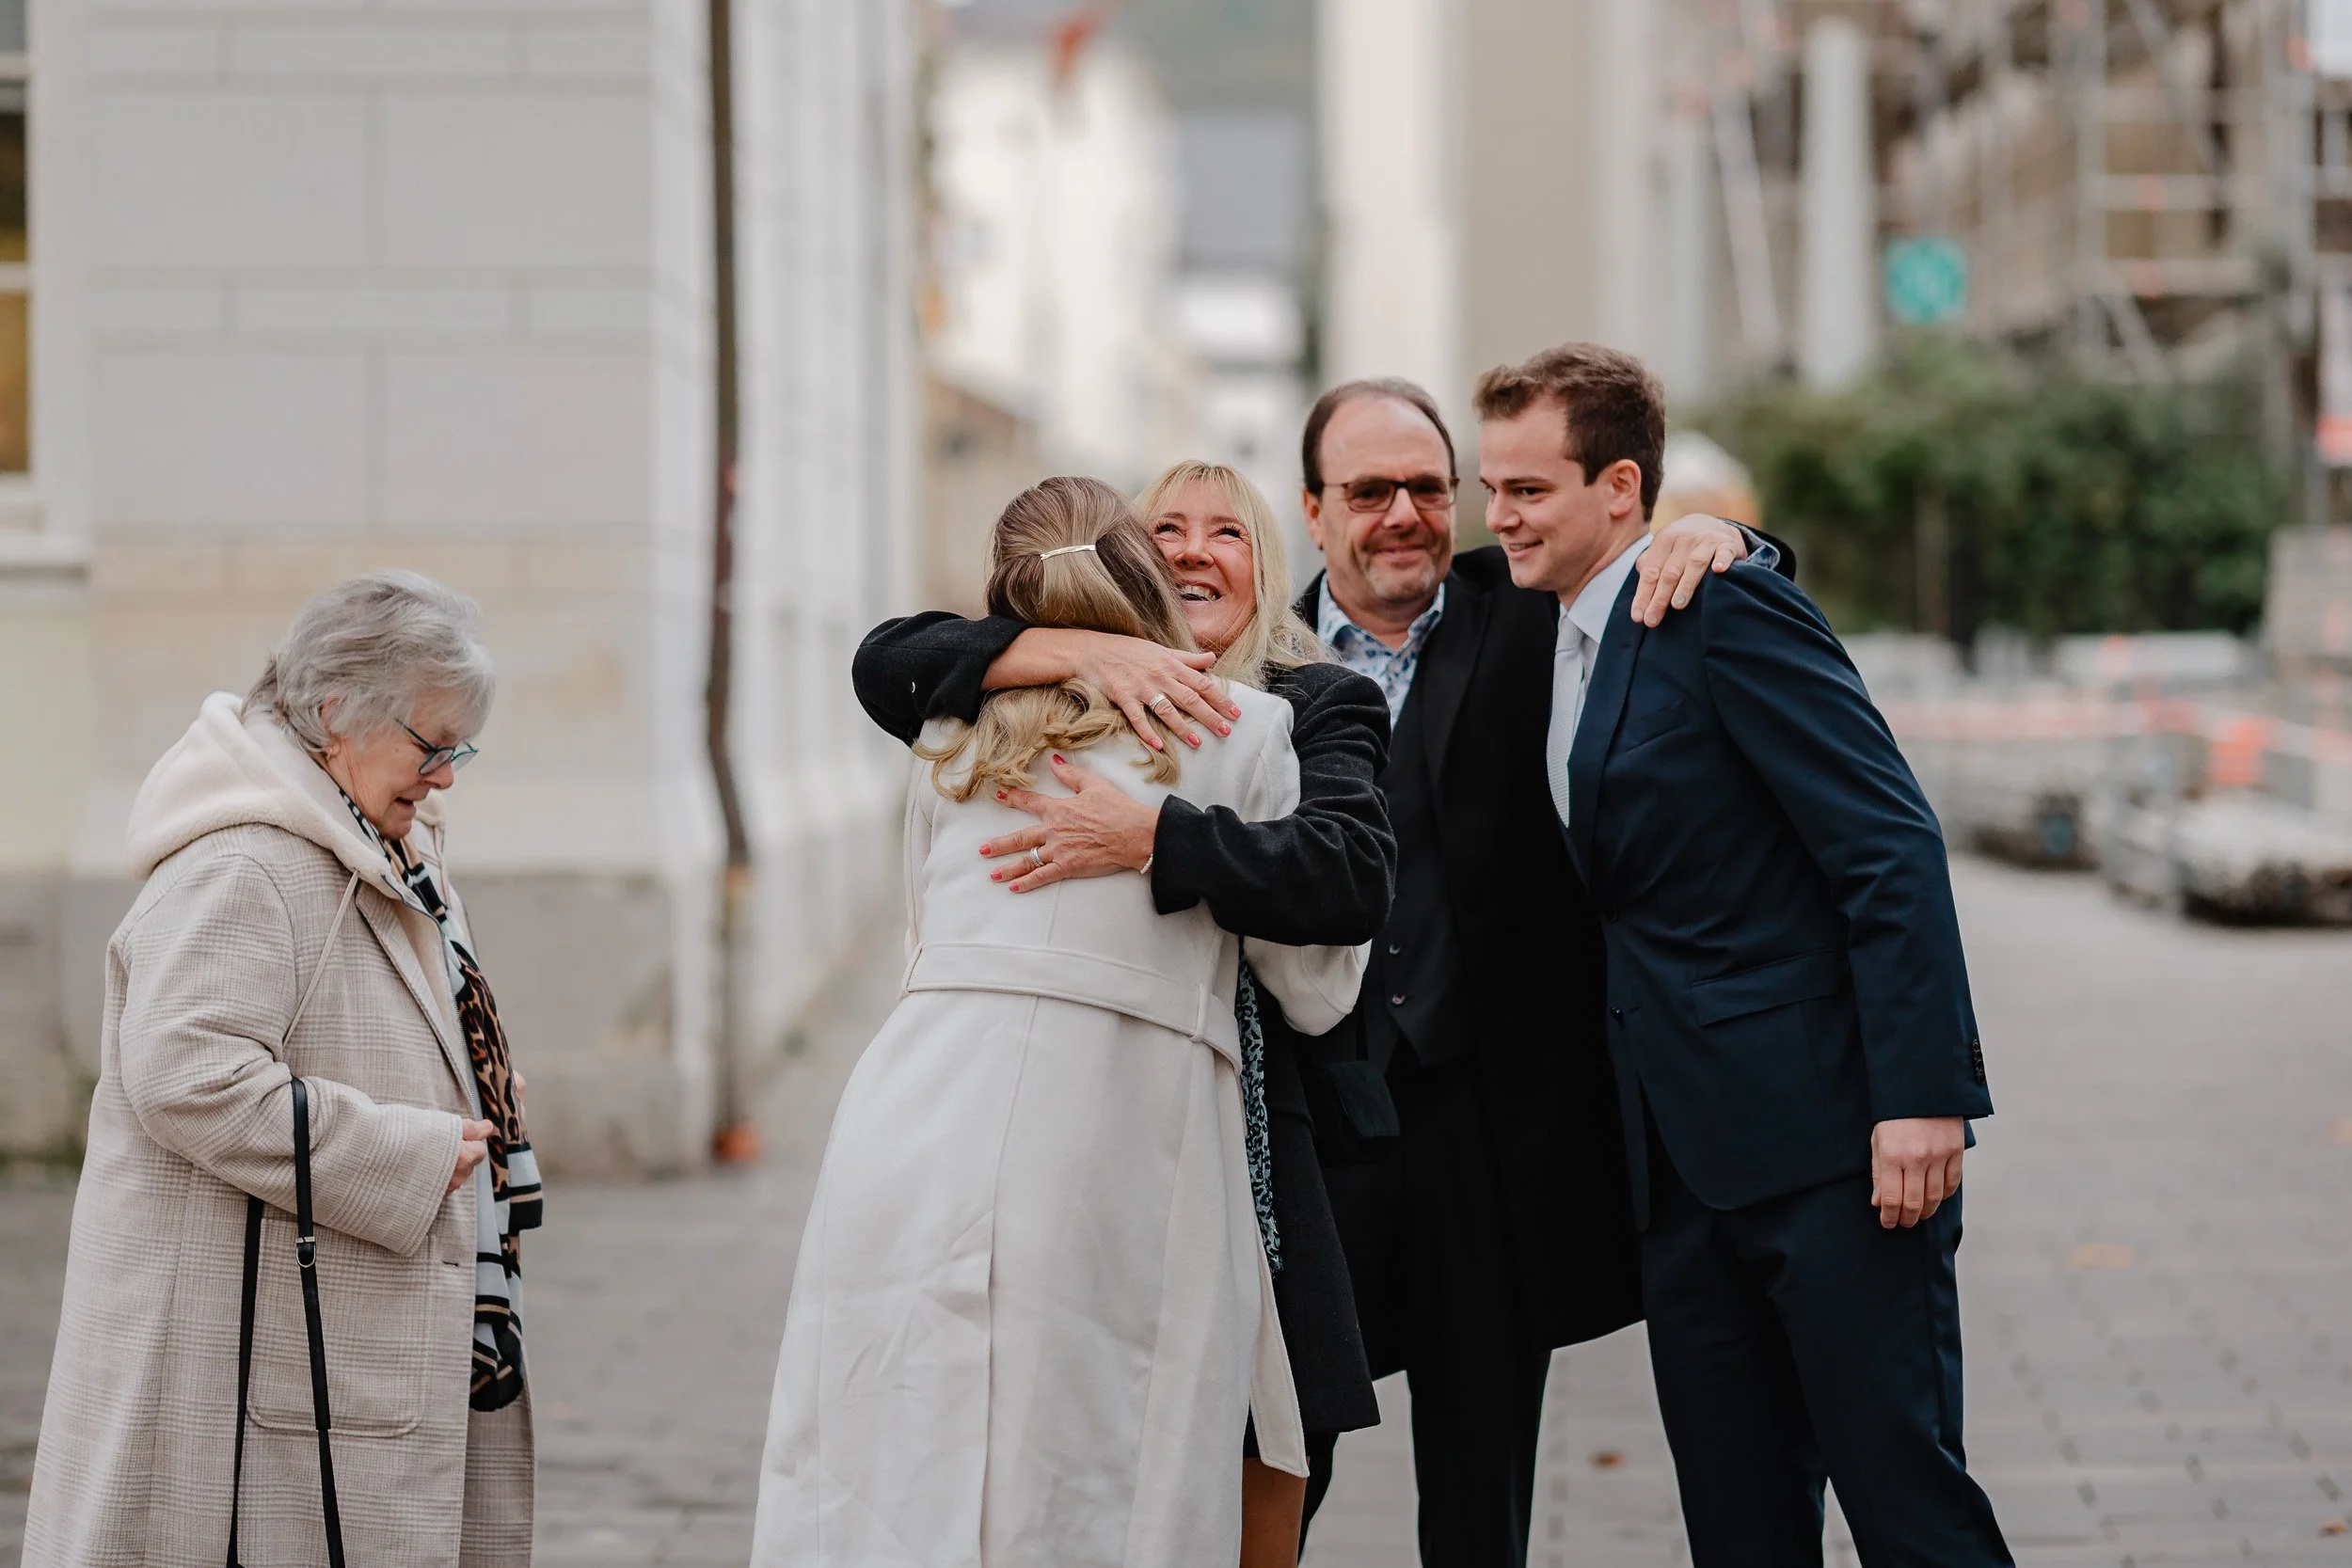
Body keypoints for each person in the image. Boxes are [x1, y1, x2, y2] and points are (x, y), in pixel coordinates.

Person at [855, 392, 1788, 1565]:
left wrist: (1727, 538)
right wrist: (1065, 644)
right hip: (1289, 1137)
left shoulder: (1510, 618)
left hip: (1482, 1132)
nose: (1401, 515)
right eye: (1365, 491)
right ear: (1314, 509)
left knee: (1478, 1483)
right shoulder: (1138, 680)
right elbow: (895, 659)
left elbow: (1634, 568)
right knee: (1258, 1455)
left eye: (1427, 490)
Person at [752, 476, 1369, 1566]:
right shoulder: (1249, 728)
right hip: (1128, 1139)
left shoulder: (947, 726)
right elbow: (1317, 986)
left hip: (912, 1115)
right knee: (1108, 1471)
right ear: (1139, 569)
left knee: (889, 1457)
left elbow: (920, 931)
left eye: (1226, 530)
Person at [1478, 341, 2011, 1565]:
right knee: (1739, 1527)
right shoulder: (1536, 631)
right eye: (1491, 489)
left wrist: (1924, 1096)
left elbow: (1890, 841)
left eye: (1526, 490)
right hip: (1677, 1176)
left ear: (1621, 490)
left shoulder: (1719, 605)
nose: (1497, 515)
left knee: (1908, 1508)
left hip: (1835, 1153)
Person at [24, 570, 536, 1568]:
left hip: (319, 1326)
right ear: (336, 711)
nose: (445, 777)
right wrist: (410, 1148)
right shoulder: (248, 861)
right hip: (232, 1338)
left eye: (458, 749)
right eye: (433, 746)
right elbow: (187, 1069)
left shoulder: (378, 838)